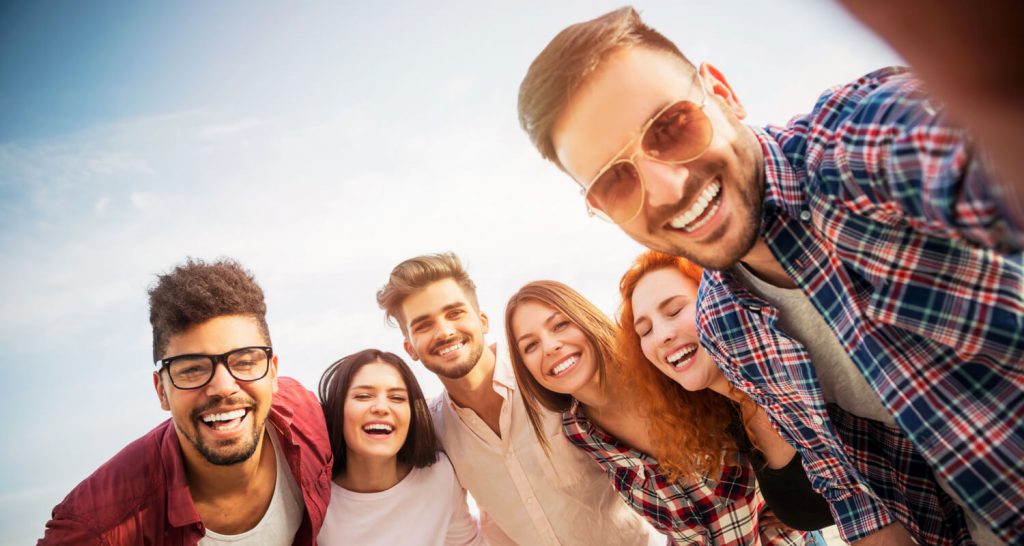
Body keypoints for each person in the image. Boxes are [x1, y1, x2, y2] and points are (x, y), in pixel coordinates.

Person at [517, 7, 1023, 545]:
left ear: (723, 92)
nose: (667, 189)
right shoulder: (723, 323)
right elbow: (858, 494)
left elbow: (956, 151)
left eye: (670, 126)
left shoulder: (851, 153)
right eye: (616, 182)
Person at [39, 258, 333, 545]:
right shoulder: (99, 526)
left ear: (273, 373)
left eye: (244, 362)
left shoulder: (308, 418)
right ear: (161, 391)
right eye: (193, 368)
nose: (223, 387)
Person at [376, 252, 661, 545]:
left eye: (455, 313)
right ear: (410, 348)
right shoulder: (433, 431)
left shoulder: (551, 376)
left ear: (482, 320)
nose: (445, 331)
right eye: (424, 325)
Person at [505, 279, 811, 545]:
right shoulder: (580, 433)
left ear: (585, 319)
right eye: (530, 346)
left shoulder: (666, 367)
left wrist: (795, 499)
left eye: (559, 325)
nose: (549, 346)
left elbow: (771, 407)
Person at [617, 249, 833, 537]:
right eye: (645, 330)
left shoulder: (803, 378)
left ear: (720, 300)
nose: (662, 335)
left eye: (675, 311)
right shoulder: (730, 418)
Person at [316, 348, 481, 545]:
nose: (381, 408)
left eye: (397, 398)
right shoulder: (316, 499)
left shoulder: (439, 475)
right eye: (363, 396)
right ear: (337, 410)